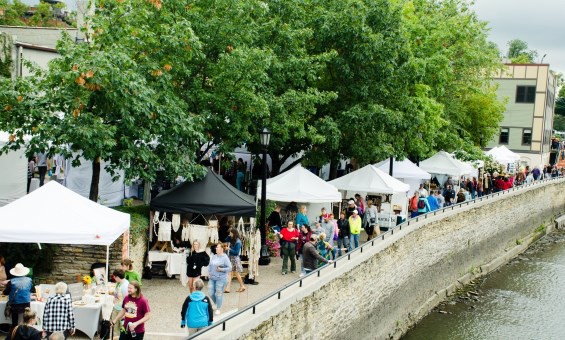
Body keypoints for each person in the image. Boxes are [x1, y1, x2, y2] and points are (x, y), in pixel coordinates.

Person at [3, 263, 34, 338]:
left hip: (15, 303)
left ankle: (14, 335)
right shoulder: (29, 280)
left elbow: (6, 292)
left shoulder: (11, 281)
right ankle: (26, 334)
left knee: (15, 321)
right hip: (26, 303)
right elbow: (32, 290)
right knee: (26, 319)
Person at [207, 243, 231, 315]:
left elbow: (230, 268)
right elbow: (210, 265)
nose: (216, 248)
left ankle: (218, 308)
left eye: (217, 247)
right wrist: (209, 272)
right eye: (216, 247)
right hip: (212, 277)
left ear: (222, 249)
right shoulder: (214, 256)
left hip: (221, 278)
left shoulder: (225, 257)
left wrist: (221, 269)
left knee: (218, 293)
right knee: (210, 292)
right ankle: (216, 303)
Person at [225, 229, 246, 293]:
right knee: (230, 273)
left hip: (234, 259)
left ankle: (242, 286)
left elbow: (236, 252)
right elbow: (226, 240)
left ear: (234, 233)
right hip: (231, 258)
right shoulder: (232, 239)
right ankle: (228, 288)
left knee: (235, 273)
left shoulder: (238, 242)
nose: (230, 234)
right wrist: (229, 236)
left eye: (231, 233)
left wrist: (229, 249)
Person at [112, 269, 129, 337]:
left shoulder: (125, 286)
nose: (114, 278)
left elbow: (127, 300)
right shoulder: (120, 283)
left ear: (118, 277)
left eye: (114, 277)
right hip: (116, 308)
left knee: (121, 329)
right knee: (115, 329)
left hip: (120, 310)